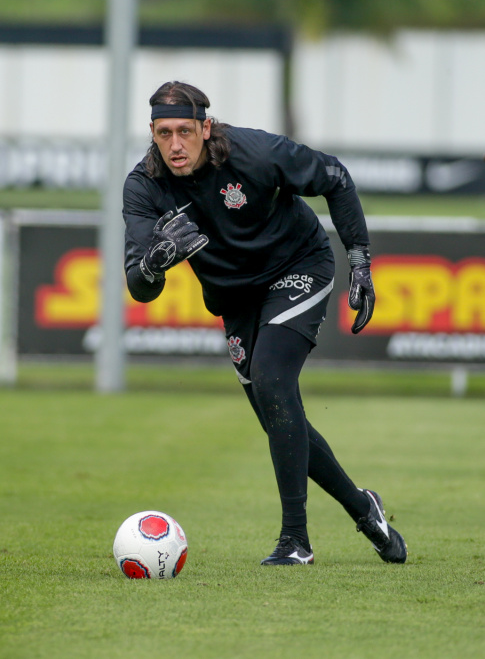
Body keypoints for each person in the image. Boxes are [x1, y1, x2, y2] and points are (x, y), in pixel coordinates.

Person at [123, 81, 407, 566]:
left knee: (275, 382)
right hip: (236, 298)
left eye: (185, 131)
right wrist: (155, 262)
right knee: (277, 416)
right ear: (151, 132)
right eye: (164, 132)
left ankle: (295, 541)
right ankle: (364, 508)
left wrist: (359, 260)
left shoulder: (251, 152)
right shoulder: (143, 186)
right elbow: (139, 285)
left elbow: (335, 177)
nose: (175, 145)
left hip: (299, 265)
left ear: (205, 127)